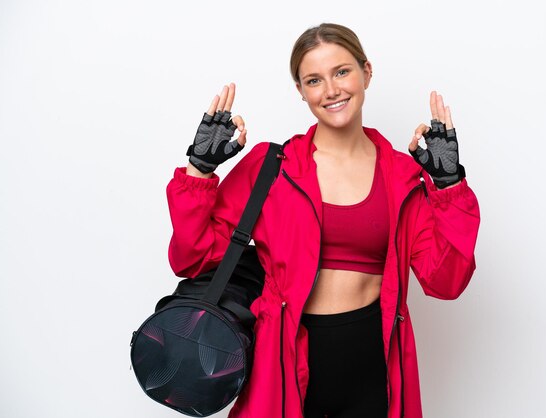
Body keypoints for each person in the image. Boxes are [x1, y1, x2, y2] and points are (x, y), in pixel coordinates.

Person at [166, 23, 480, 418]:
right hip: (282, 365)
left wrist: (448, 185)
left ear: (367, 72)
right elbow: (192, 259)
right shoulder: (271, 167)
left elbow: (446, 281)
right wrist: (199, 170)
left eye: (342, 72)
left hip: (374, 365)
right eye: (314, 80)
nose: (331, 90)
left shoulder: (401, 176)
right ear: (301, 91)